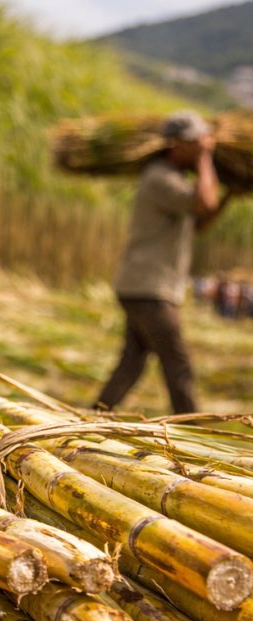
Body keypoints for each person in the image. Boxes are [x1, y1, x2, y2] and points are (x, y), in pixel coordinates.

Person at [94, 110, 234, 416]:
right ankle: (193, 431)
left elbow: (200, 222)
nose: (201, 144)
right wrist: (205, 159)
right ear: (176, 145)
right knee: (178, 363)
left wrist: (231, 194)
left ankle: (94, 414)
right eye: (195, 142)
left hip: (144, 286)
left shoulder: (172, 181)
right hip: (149, 289)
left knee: (132, 362)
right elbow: (202, 202)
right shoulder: (160, 178)